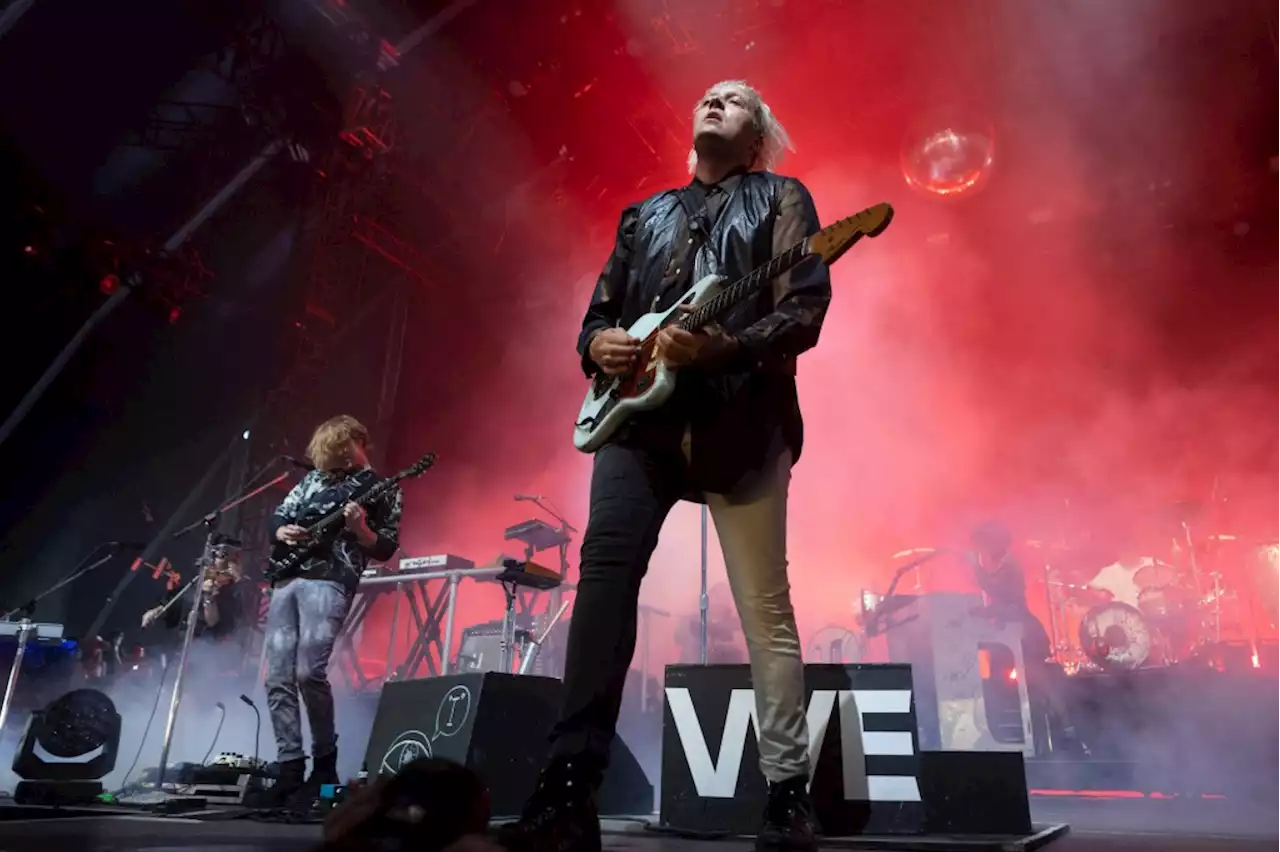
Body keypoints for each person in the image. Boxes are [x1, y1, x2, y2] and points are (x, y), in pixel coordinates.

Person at [502, 80, 830, 852]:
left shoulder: (783, 197)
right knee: (604, 586)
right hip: (636, 423)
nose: (716, 99)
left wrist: (727, 347)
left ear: (758, 139)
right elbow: (597, 315)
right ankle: (568, 794)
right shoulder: (643, 215)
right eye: (709, 95)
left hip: (742, 421)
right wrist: (597, 346)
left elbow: (803, 308)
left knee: (765, 606)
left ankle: (786, 793)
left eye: (738, 99)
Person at [266, 415, 403, 806]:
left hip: (329, 579)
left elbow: (386, 547)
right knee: (277, 676)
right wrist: (280, 531)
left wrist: (360, 529)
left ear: (359, 442)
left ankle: (324, 762)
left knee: (309, 672)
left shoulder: (381, 487)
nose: (334, 457)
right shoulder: (313, 480)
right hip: (286, 577)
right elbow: (280, 514)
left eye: (341, 449)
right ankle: (289, 765)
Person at [965, 521, 1085, 754]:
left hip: (1026, 635)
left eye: (982, 545)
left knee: (1041, 683)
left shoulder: (1009, 566)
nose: (981, 551)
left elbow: (1004, 596)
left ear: (994, 543)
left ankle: (1068, 735)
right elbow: (1003, 601)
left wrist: (976, 571)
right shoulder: (1002, 565)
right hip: (1017, 633)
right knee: (1034, 687)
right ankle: (1052, 736)